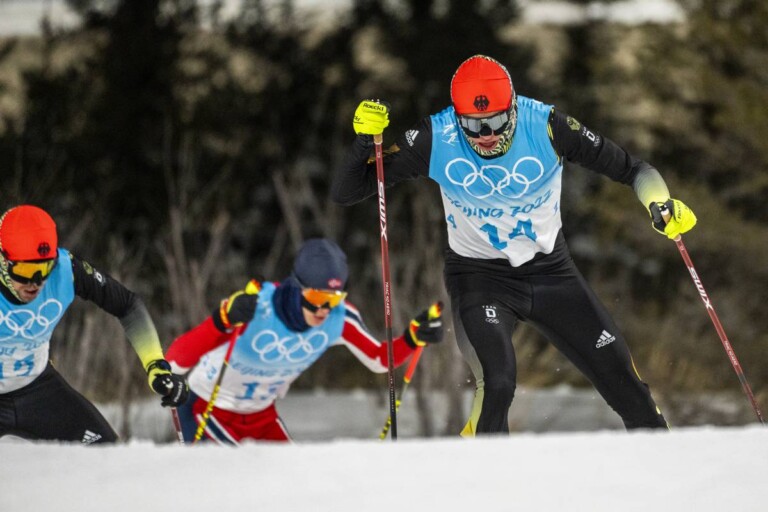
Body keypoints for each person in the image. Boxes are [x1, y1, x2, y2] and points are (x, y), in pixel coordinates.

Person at [332, 54, 698, 435]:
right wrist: (364, 141)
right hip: (479, 278)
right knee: (499, 383)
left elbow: (635, 170)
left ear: (514, 109)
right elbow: (350, 190)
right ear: (457, 118)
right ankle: (486, 480)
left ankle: (665, 481)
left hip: (552, 273)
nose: (485, 135)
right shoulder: (435, 137)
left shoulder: (548, 126)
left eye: (495, 121)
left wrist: (661, 204)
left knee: (626, 384)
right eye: (472, 126)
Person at [166, 238, 443, 444]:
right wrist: (222, 319)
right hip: (206, 408)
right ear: (296, 287)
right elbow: (176, 360)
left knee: (294, 493)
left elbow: (380, 359)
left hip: (261, 416)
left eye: (333, 300)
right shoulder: (256, 306)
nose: (323, 310)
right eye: (316, 299)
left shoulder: (339, 319)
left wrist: (412, 337)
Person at [0, 204, 188, 444]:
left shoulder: (66, 270)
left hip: (37, 389)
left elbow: (128, 305)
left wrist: (156, 365)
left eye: (43, 268)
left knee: (109, 455)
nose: (35, 282)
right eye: (25, 270)